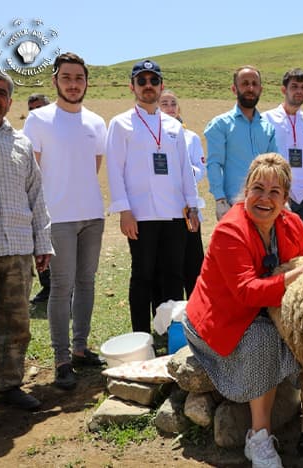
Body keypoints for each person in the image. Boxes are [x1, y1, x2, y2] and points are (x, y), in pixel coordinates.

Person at [184, 153, 303, 468]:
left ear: (285, 198)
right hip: (221, 318)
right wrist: (295, 274)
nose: (265, 198)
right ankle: (259, 437)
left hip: (265, 309)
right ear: (246, 189)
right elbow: (245, 293)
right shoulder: (231, 230)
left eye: (274, 192)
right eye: (258, 188)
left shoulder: (291, 224)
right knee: (264, 340)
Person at [23, 52, 107, 390]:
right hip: (57, 219)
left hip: (92, 216)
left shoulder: (97, 122)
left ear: (86, 82)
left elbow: (94, 167)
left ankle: (80, 348)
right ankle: (60, 359)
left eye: (79, 78)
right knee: (61, 288)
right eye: (67, 78)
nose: (74, 84)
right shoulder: (39, 120)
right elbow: (32, 172)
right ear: (56, 80)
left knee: (86, 284)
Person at [0, 68, 53, 410]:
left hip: (17, 249)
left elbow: (36, 195)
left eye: (2, 93)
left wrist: (42, 242)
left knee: (16, 325)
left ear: (9, 100)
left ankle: (7, 387)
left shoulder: (21, 142)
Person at [106, 59, 200, 334]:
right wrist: (124, 210)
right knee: (143, 276)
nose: (148, 86)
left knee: (173, 277)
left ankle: (169, 334)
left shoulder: (172, 126)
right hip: (141, 214)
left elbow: (185, 170)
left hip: (173, 213)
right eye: (142, 81)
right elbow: (115, 169)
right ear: (132, 86)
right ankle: (141, 336)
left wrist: (192, 206)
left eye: (154, 81)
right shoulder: (121, 124)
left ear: (162, 86)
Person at [205, 65, 277, 221]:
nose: (250, 88)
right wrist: (220, 199)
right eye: (245, 83)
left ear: (261, 89)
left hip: (265, 205)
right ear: (234, 89)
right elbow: (214, 164)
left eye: (254, 84)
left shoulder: (268, 128)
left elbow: (275, 167)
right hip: (235, 205)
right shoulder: (220, 125)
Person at [262, 68, 303, 243]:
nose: (299, 91)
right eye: (294, 86)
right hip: (280, 193)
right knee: (279, 244)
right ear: (284, 90)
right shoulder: (266, 119)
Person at [158, 89, 206, 298]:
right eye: (164, 103)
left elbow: (201, 168)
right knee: (169, 264)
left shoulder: (191, 137)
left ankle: (196, 308)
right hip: (162, 208)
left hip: (188, 208)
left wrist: (185, 173)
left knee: (193, 262)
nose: (169, 108)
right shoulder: (153, 137)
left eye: (173, 103)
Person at [27, 93, 52, 304]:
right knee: (38, 244)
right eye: (32, 109)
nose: (36, 112)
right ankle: (47, 286)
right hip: (35, 199)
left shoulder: (58, 132)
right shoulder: (25, 136)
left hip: (59, 200)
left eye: (40, 107)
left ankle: (61, 288)